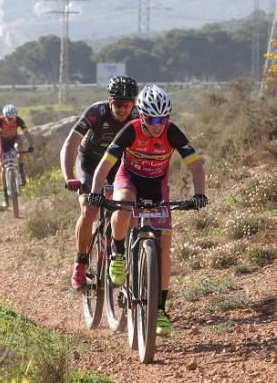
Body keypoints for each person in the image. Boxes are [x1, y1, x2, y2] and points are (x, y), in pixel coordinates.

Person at [88, 83, 208, 337]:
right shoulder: (130, 131)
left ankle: (160, 310)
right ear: (142, 116)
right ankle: (118, 254)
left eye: (163, 118)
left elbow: (196, 165)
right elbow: (105, 164)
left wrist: (199, 194)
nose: (158, 124)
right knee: (121, 207)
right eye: (153, 118)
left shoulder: (172, 132)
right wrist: (97, 193)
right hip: (129, 178)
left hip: (157, 185)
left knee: (164, 247)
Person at [60, 75, 139, 290]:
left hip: (118, 166)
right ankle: (81, 262)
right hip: (90, 163)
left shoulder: (138, 117)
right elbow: (70, 144)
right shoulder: (96, 112)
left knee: (128, 210)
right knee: (90, 209)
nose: (122, 109)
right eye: (117, 104)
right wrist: (69, 177)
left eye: (127, 104)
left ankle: (124, 255)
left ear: (133, 104)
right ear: (109, 101)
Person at [0, 104, 34, 207]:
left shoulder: (19, 120)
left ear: (16, 116)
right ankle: (5, 196)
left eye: (13, 118)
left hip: (14, 140)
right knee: (2, 168)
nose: (11, 120)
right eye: (8, 118)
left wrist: (31, 145)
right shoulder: (0, 121)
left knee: (19, 148)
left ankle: (21, 171)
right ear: (4, 116)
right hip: (3, 143)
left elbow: (27, 134)